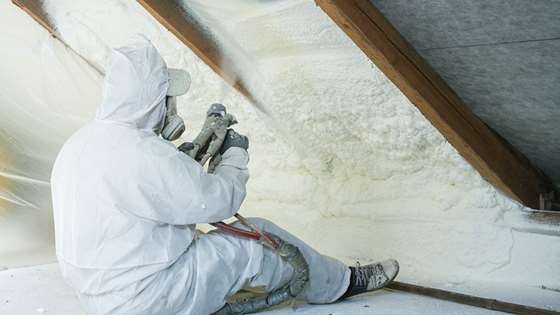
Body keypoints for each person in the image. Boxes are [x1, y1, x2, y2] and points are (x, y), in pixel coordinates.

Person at [50, 36, 399, 315]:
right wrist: (235, 155)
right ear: (152, 100)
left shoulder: (81, 143)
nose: (170, 108)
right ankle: (342, 284)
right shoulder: (143, 154)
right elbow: (217, 203)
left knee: (215, 245)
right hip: (147, 299)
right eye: (166, 98)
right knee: (257, 239)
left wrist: (184, 160)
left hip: (97, 297)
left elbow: (142, 191)